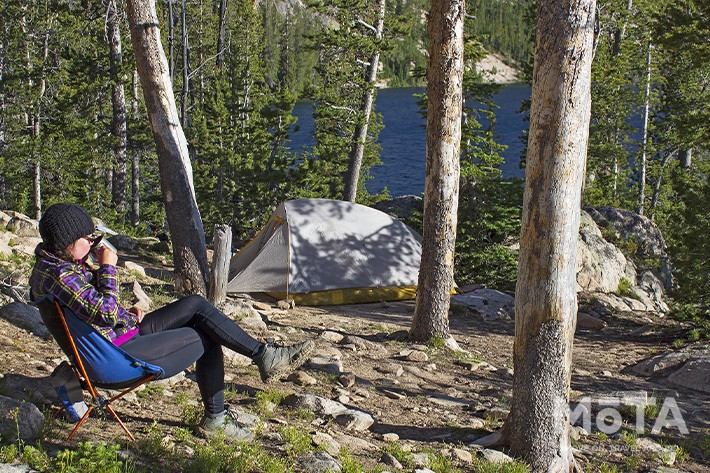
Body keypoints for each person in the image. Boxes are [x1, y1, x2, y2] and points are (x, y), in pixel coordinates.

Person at [30, 203, 314, 441]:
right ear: (69, 243)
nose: (93, 243)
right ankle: (217, 419)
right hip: (112, 359)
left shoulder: (56, 266)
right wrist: (107, 266)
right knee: (206, 335)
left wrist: (126, 314)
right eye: (89, 238)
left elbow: (94, 311)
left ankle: (264, 354)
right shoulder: (60, 275)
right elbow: (104, 311)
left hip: (115, 339)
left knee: (196, 306)